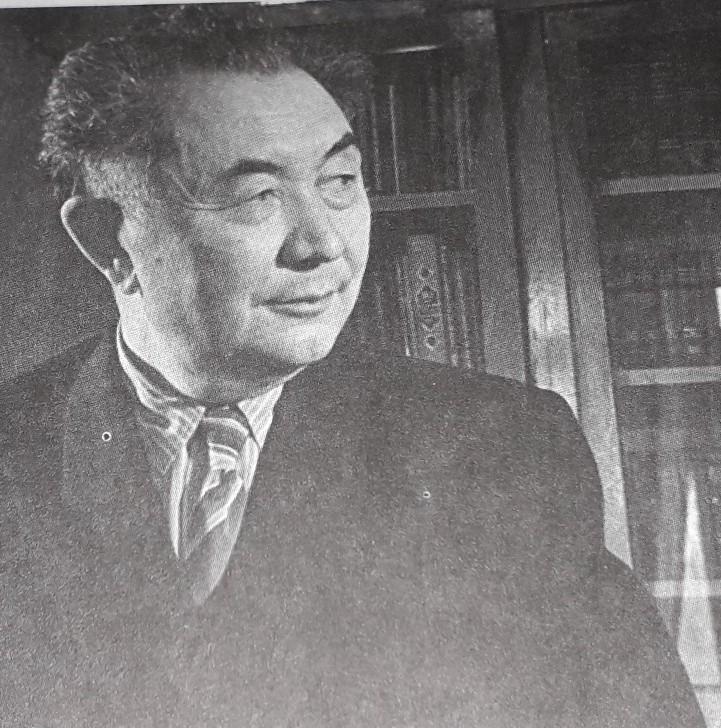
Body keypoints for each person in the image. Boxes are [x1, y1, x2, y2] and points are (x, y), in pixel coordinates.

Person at [0, 7, 704, 727]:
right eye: (256, 195)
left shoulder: (497, 445)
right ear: (108, 240)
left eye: (339, 180)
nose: (322, 245)